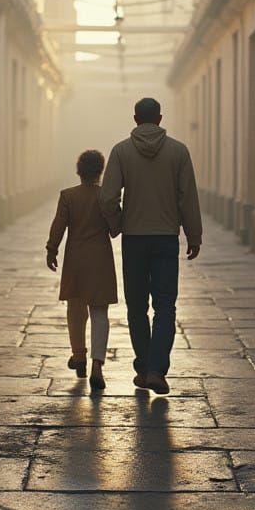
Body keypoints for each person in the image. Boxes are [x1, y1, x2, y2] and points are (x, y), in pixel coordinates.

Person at [100, 97, 202, 396]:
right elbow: (188, 198)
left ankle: (144, 368)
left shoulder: (121, 151)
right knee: (165, 305)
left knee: (136, 306)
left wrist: (117, 224)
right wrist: (193, 235)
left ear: (135, 119)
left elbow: (107, 198)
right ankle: (158, 370)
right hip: (166, 238)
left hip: (134, 239)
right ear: (159, 118)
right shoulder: (178, 151)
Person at [46, 149, 120, 391]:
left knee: (75, 310)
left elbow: (59, 225)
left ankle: (78, 355)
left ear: (79, 171)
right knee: (99, 312)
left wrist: (51, 249)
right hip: (100, 259)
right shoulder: (105, 197)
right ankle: (97, 365)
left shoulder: (68, 196)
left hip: (75, 260)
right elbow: (115, 229)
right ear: (101, 171)